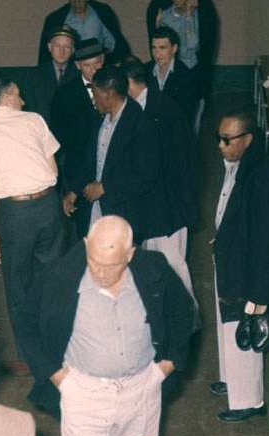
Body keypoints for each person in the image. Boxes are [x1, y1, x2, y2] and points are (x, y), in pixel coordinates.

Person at [16, 216, 196, 436]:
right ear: (86, 245)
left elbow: (183, 313)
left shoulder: (153, 269)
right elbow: (26, 323)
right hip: (84, 391)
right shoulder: (60, 275)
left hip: (142, 390)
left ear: (130, 253)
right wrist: (58, 377)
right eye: (94, 261)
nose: (100, 273)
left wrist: (165, 367)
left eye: (111, 265)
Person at [0, 78, 67, 375]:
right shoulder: (34, 120)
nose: (22, 101)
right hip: (48, 206)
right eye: (19, 95)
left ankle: (31, 358)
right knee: (53, 278)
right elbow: (53, 170)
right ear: (7, 96)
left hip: (14, 213)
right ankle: (58, 348)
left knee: (17, 285)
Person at [210, 110, 269, 422]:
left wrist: (259, 292)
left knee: (245, 330)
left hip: (249, 271)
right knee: (228, 325)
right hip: (231, 259)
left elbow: (268, 238)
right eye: (218, 138)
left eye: (227, 140)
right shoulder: (237, 163)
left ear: (247, 140)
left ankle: (249, 401)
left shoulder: (261, 175)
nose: (221, 145)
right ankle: (231, 380)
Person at [123, 57, 198, 295]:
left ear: (128, 83)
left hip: (169, 209)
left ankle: (189, 319)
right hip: (152, 209)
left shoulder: (165, 110)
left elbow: (181, 167)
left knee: (174, 264)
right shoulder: (138, 108)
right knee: (154, 264)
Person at [66, 65, 162, 242]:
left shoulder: (141, 124)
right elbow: (90, 161)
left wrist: (104, 188)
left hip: (124, 215)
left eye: (95, 93)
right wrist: (74, 191)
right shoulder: (100, 119)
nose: (93, 99)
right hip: (96, 213)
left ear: (109, 94)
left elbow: (145, 176)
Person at [147, 0, 219, 133]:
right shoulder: (165, 15)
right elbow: (159, 42)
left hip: (190, 69)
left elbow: (194, 45)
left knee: (191, 120)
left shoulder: (198, 14)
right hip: (171, 70)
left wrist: (188, 17)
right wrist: (157, 25)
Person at [51, 38, 105, 228]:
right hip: (78, 168)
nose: (94, 70)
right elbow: (57, 137)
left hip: (108, 167)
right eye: (87, 65)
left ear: (103, 60)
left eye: (97, 64)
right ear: (77, 65)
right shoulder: (65, 94)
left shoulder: (114, 87)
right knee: (84, 226)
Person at [39, 0, 129, 65]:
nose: (77, 3)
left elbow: (114, 42)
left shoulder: (103, 13)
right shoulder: (56, 19)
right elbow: (46, 54)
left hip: (99, 66)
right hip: (71, 69)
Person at [24, 24, 79, 122]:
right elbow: (31, 110)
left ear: (73, 50)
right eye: (57, 46)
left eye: (67, 47)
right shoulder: (35, 74)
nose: (61, 51)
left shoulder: (79, 74)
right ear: (50, 47)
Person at [148, 26, 198, 129]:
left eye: (162, 48)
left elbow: (184, 119)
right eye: (154, 48)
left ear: (174, 48)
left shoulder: (186, 77)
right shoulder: (145, 71)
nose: (157, 54)